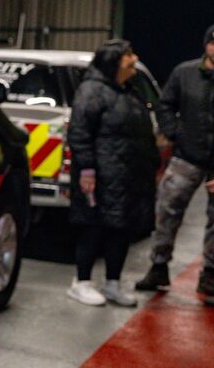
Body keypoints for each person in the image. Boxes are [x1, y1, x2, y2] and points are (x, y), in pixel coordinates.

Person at [65, 39, 159, 307]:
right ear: (113, 61)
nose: (134, 58)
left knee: (121, 228)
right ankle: (81, 282)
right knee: (92, 226)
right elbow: (80, 133)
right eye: (128, 55)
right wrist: (87, 169)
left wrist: (151, 165)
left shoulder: (129, 91)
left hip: (127, 176)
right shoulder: (92, 90)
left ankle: (112, 283)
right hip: (101, 175)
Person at [136, 24, 214, 303]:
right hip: (186, 157)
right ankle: (158, 267)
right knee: (167, 210)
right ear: (206, 45)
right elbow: (165, 104)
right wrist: (174, 133)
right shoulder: (184, 73)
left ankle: (210, 277)